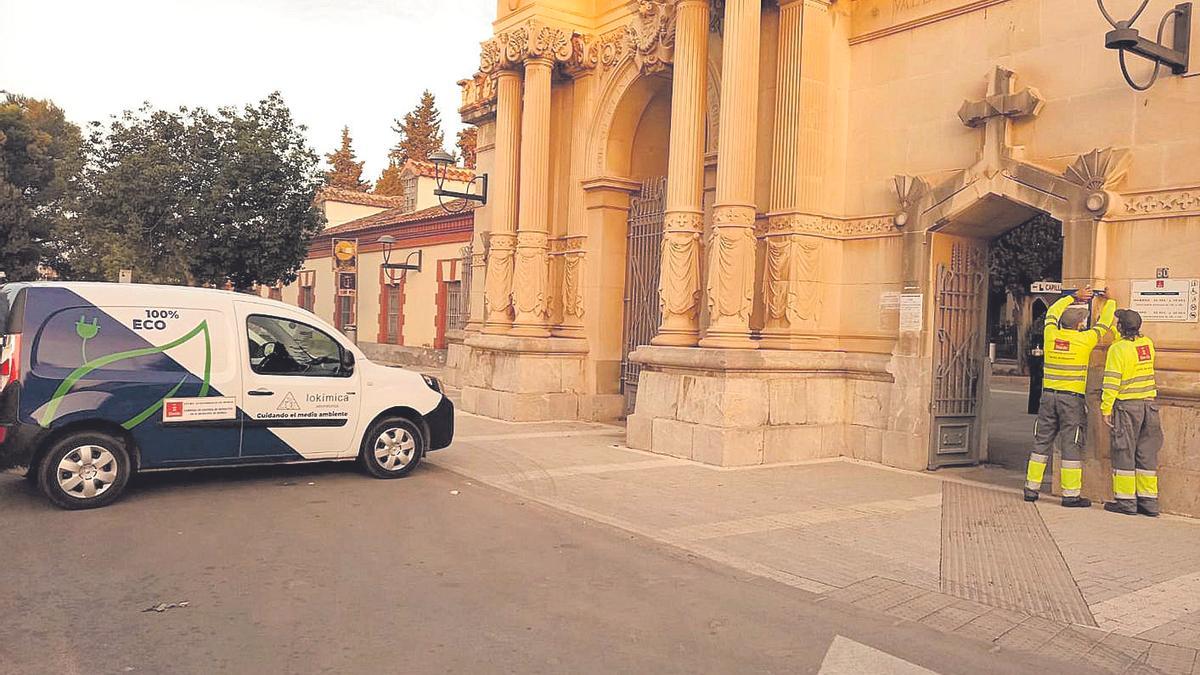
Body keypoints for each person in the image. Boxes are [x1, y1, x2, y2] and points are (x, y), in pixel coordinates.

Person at [1023, 285, 1116, 506]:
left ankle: (1031, 488)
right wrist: (1110, 301)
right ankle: (1071, 494)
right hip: (1071, 400)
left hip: (1047, 398)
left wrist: (1072, 297)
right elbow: (1103, 325)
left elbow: (1052, 313)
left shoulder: (1050, 334)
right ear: (1079, 325)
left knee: (1041, 442)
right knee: (1071, 444)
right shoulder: (1084, 341)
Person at [1101, 309, 1162, 517]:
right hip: (1149, 407)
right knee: (1146, 454)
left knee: (1124, 451)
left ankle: (1126, 502)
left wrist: (1106, 408)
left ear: (1120, 327)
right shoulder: (1147, 344)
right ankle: (1149, 501)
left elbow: (1111, 382)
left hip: (1128, 407)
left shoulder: (1117, 350)